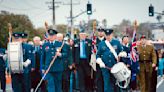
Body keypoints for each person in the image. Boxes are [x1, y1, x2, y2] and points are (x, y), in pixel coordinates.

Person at [95, 28, 105, 92]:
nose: (100, 33)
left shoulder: (107, 40)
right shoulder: (95, 41)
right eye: (99, 31)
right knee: (98, 78)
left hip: (105, 62)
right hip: (97, 63)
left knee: (105, 78)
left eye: (102, 32)